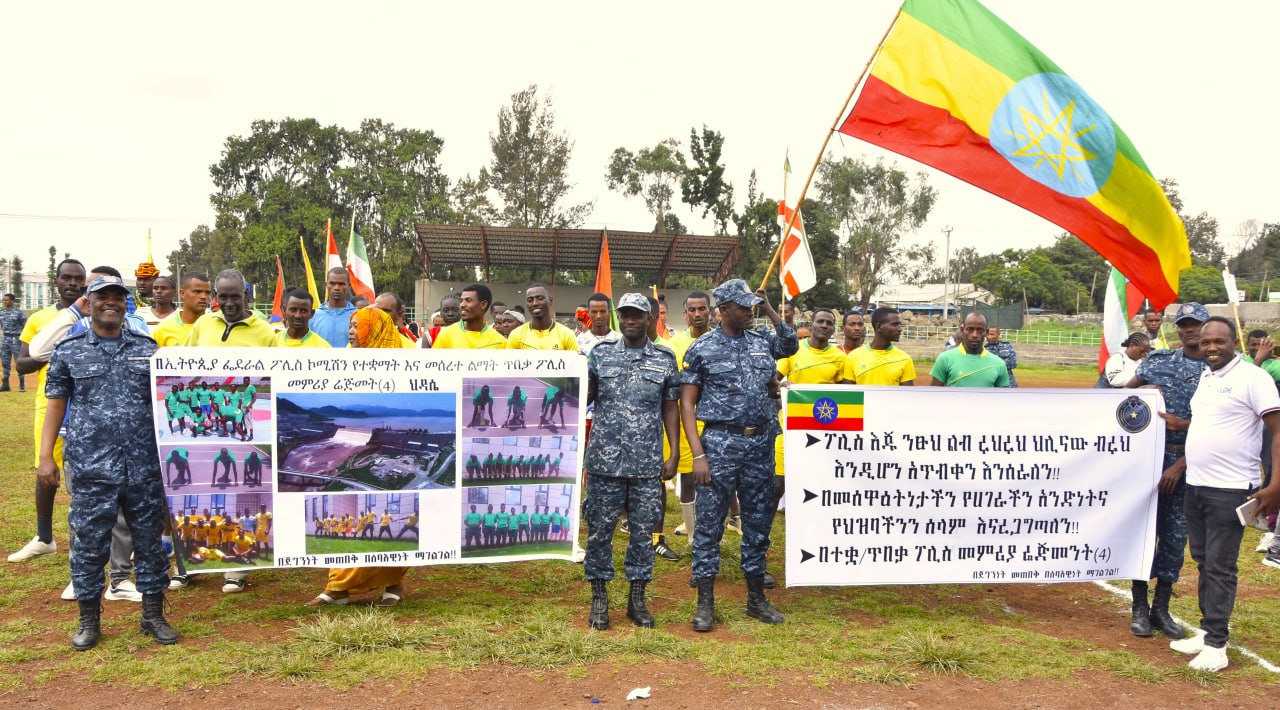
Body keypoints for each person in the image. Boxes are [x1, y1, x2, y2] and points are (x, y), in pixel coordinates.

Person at [39, 275, 177, 649]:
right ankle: (89, 620)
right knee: (88, 544)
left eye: (118, 297)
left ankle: (152, 615)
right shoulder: (70, 350)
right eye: (103, 297)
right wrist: (45, 457)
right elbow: (56, 404)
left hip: (143, 466)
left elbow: (166, 404)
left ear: (126, 303)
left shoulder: (147, 349)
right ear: (90, 301)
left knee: (149, 543)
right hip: (90, 467)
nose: (111, 303)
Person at [681, 279, 797, 632]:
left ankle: (755, 598)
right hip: (719, 444)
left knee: (759, 523)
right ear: (724, 309)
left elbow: (789, 343)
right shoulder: (702, 348)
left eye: (752, 306)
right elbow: (687, 402)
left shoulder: (762, 342)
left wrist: (769, 308)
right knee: (709, 526)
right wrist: (698, 455)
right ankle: (705, 603)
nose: (750, 311)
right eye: (743, 306)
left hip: (760, 444)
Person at [1167, 317, 1280, 672]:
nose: (1211, 347)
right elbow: (1212, 423)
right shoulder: (1208, 377)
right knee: (1202, 558)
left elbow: (1278, 431)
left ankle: (1217, 645)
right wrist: (1182, 427)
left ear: (1235, 342)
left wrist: (1276, 485)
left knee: (1219, 565)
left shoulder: (1253, 378)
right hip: (1198, 484)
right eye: (1205, 342)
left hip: (1230, 488)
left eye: (1219, 341)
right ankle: (1209, 629)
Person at [582, 293, 680, 629]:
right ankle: (600, 597)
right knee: (599, 532)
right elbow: (584, 398)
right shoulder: (600, 355)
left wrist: (674, 451)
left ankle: (637, 599)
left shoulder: (665, 358)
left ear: (650, 317)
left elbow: (670, 407)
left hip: (646, 463)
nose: (629, 321)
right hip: (604, 463)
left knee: (642, 533)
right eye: (624, 315)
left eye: (637, 315)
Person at [308, 306, 408, 607]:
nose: (351, 331)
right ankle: (338, 587)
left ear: (375, 330)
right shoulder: (341, 362)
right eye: (350, 325)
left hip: (387, 450)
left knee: (389, 517)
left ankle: (393, 583)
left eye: (358, 326)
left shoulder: (406, 361)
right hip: (364, 452)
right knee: (349, 518)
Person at [185, 269, 274, 594]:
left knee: (235, 488)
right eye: (222, 296)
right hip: (205, 423)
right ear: (216, 297)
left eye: (235, 296)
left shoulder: (265, 332)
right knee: (199, 486)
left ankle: (234, 569)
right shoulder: (202, 325)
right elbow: (182, 367)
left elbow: (271, 379)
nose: (228, 302)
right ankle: (191, 561)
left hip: (244, 426)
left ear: (246, 294)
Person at [1124, 301, 1208, 640]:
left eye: (1197, 324)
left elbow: (1221, 426)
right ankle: (1139, 608)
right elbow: (1122, 398)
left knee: (1175, 539)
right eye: (1185, 324)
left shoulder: (1218, 371)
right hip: (1150, 461)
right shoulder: (1158, 362)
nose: (1191, 330)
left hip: (1192, 463)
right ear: (1178, 328)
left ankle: (1162, 608)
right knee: (1145, 533)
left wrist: (1180, 463)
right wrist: (1140, 395)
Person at [10, 259, 86, 563]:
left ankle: (85, 545)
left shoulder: (92, 314)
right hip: (50, 403)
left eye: (77, 279)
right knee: (46, 470)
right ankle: (44, 537)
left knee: (83, 476)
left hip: (85, 402)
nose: (72, 283)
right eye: (66, 278)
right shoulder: (40, 318)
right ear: (56, 281)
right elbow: (23, 363)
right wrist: (55, 349)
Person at [930, 312, 1010, 387]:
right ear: (962, 330)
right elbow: (933, 396)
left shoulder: (999, 364)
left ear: (986, 332)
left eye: (980, 330)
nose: (975, 335)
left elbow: (1004, 399)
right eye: (970, 329)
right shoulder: (945, 359)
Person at [842, 307, 916, 386]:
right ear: (879, 327)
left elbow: (907, 395)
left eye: (900, 325)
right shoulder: (853, 357)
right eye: (895, 324)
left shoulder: (905, 359)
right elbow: (848, 395)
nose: (900, 329)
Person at [429, 284, 507, 350]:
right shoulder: (446, 335)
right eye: (461, 301)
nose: (462, 305)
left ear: (483, 304)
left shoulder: (499, 341)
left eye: (468, 300)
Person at [506, 284, 578, 351]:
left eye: (540, 298)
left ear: (550, 300)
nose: (535, 303)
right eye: (530, 300)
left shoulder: (566, 335)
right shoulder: (516, 335)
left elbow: (575, 363)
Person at [151, 272, 211, 348]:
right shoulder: (163, 329)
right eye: (197, 292)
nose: (203, 296)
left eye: (207, 293)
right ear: (182, 293)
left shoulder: (216, 327)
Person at [309, 267, 357, 348]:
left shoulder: (357, 316)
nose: (336, 288)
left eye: (341, 284)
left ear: (348, 286)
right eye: (332, 283)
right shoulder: (313, 316)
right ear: (326, 285)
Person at [1, 293, 28, 392]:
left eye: (7, 300)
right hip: (5, 339)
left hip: (16, 339)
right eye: (4, 300)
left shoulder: (19, 313)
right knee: (5, 362)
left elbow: (26, 325)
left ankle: (22, 385)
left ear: (12, 301)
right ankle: (5, 384)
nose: (5, 302)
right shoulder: (2, 313)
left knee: (18, 361)